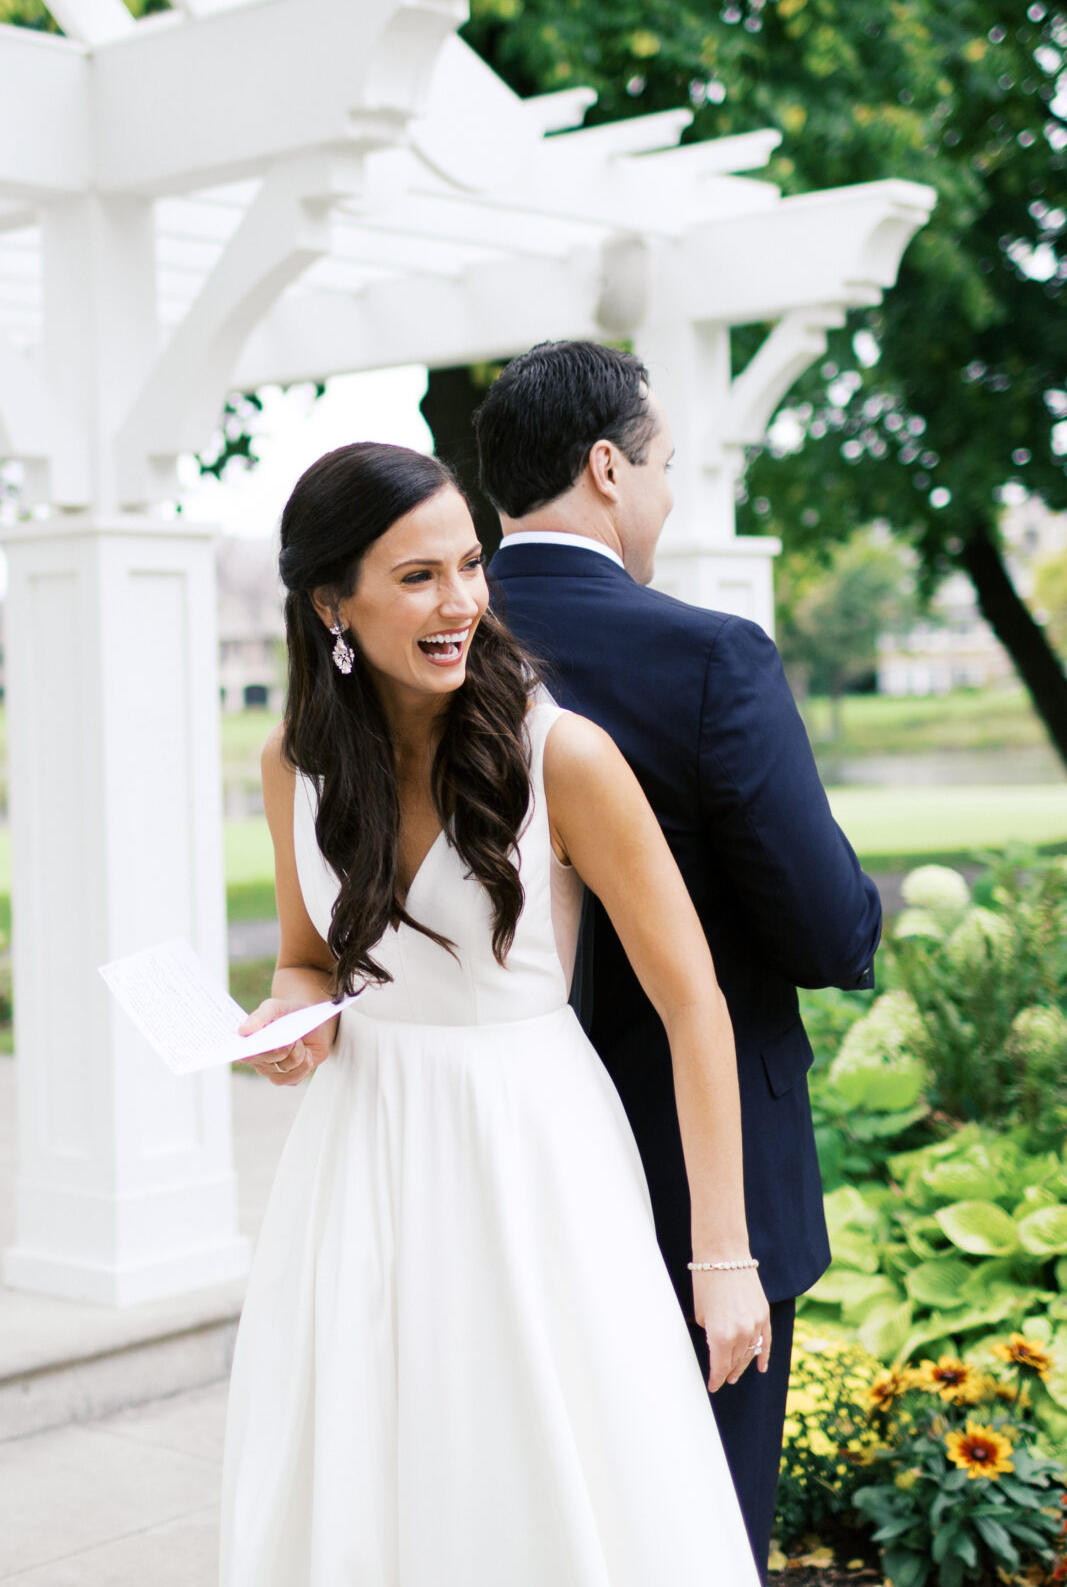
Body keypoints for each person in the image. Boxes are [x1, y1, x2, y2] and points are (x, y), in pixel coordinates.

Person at [218, 440, 768, 1586]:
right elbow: (305, 959)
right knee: (371, 1465)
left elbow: (691, 999)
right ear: (333, 602)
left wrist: (721, 1256)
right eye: (418, 576)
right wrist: (293, 1021)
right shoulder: (294, 761)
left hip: (529, 1151)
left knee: (548, 1466)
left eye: (470, 564)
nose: (461, 599)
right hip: (359, 1154)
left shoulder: (561, 753)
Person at [475, 340, 883, 1580]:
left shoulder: (428, 648)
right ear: (606, 468)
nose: (663, 496)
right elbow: (828, 931)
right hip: (701, 1199)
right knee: (698, 1531)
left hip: (497, 1165)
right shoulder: (712, 658)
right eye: (661, 466)